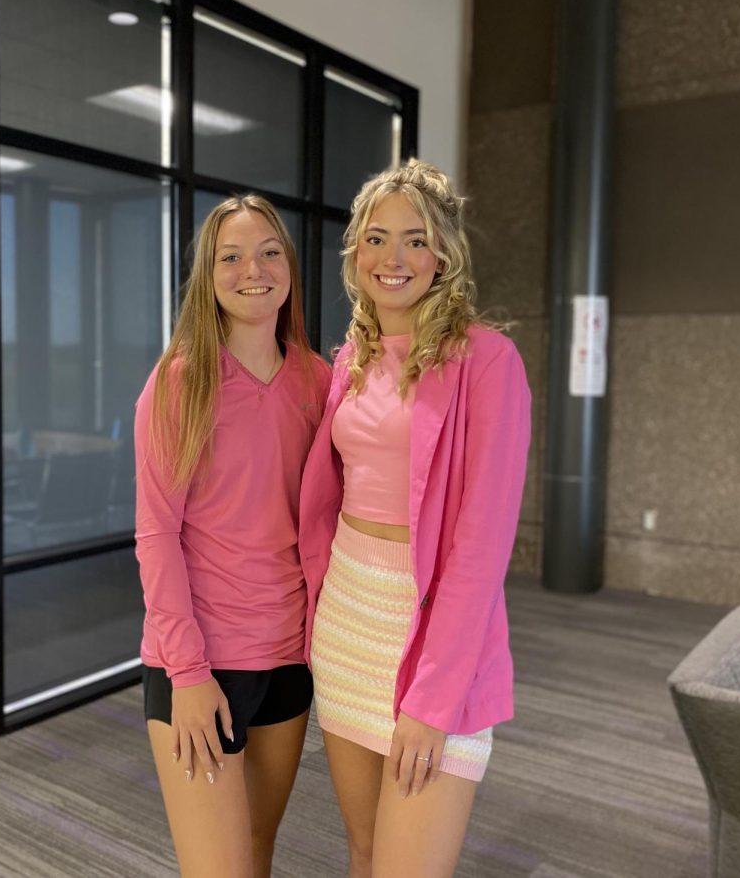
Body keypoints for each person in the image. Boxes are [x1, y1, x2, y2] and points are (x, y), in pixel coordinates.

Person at [298, 159, 531, 877]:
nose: (392, 258)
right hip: (347, 623)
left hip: (432, 639)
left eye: (415, 240)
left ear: (444, 256)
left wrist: (432, 700)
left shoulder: (487, 361)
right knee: (365, 851)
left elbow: (480, 547)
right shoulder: (350, 361)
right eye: (375, 239)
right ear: (355, 255)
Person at [135, 195, 332, 878]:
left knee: (256, 853)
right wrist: (187, 674)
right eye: (232, 255)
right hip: (200, 665)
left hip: (288, 659)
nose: (255, 268)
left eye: (270, 251)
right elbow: (156, 534)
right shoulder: (178, 384)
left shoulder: (319, 381)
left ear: (290, 268)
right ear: (208, 275)